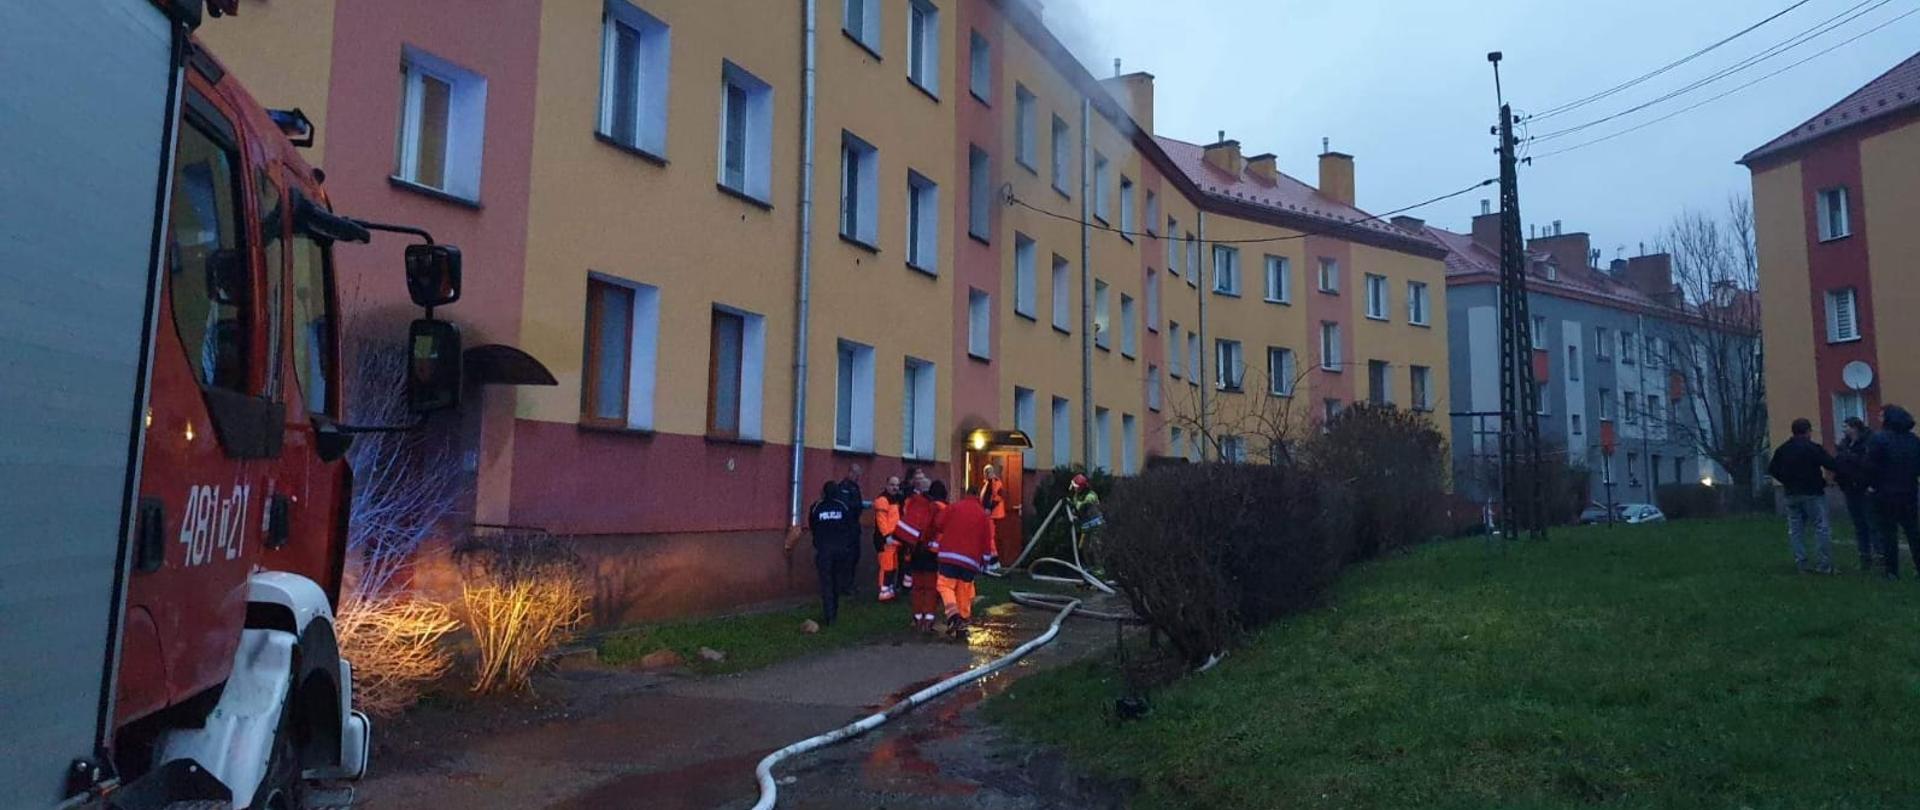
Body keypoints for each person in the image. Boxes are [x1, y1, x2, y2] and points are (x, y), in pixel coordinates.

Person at [1768, 418, 1837, 574]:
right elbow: (1831, 464)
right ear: (1807, 431)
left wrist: (1786, 480)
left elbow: (1772, 469)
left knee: (1796, 530)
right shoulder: (1813, 448)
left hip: (1791, 493)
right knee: (1821, 527)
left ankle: (1801, 563)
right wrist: (1825, 480)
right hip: (1813, 493)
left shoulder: (1783, 449)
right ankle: (1824, 564)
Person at [791, 481, 860, 626]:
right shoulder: (843, 507)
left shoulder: (817, 507)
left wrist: (819, 542)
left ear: (823, 492)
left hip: (824, 551)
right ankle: (834, 613)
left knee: (826, 583)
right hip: (841, 551)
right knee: (836, 582)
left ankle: (829, 615)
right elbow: (851, 527)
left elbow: (813, 526)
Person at [930, 487, 992, 640]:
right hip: (970, 561)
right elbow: (987, 539)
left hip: (949, 556)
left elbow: (938, 523)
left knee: (945, 585)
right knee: (964, 591)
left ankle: (953, 616)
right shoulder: (983, 515)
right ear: (978, 497)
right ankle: (962, 625)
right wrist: (985, 561)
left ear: (966, 494)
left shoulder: (954, 507)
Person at [1867, 405, 1920, 580]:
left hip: (1885, 492)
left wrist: (1872, 485)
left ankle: (1892, 571)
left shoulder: (1879, 439)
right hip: (1909, 491)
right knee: (1913, 532)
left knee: (1888, 533)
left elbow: (1871, 466)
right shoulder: (1913, 440)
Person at [1835, 416, 1879, 572]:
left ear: (1855, 427)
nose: (1844, 430)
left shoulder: (1868, 442)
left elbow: (1868, 464)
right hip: (1849, 488)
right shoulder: (1844, 444)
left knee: (1871, 523)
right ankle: (1864, 556)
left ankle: (1879, 555)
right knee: (1859, 524)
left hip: (1864, 488)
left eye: (1846, 426)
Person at [908, 480, 950, 632]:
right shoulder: (942, 508)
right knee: (931, 588)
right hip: (932, 553)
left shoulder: (918, 506)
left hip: (916, 550)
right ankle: (928, 619)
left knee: (918, 587)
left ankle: (917, 618)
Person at [871, 475, 903, 601]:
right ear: (886, 485)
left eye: (897, 485)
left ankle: (888, 590)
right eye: (892, 485)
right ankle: (884, 592)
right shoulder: (883, 500)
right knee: (886, 566)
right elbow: (881, 521)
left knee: (893, 566)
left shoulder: (895, 499)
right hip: (885, 540)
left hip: (893, 539)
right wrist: (886, 536)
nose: (895, 488)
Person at [978, 465, 1008, 572]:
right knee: (988, 538)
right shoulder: (989, 483)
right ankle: (990, 562)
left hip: (993, 515)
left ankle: (993, 562)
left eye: (988, 472)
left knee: (990, 538)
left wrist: (989, 508)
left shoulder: (995, 482)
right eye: (986, 472)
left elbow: (997, 497)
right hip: (990, 515)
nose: (987, 474)